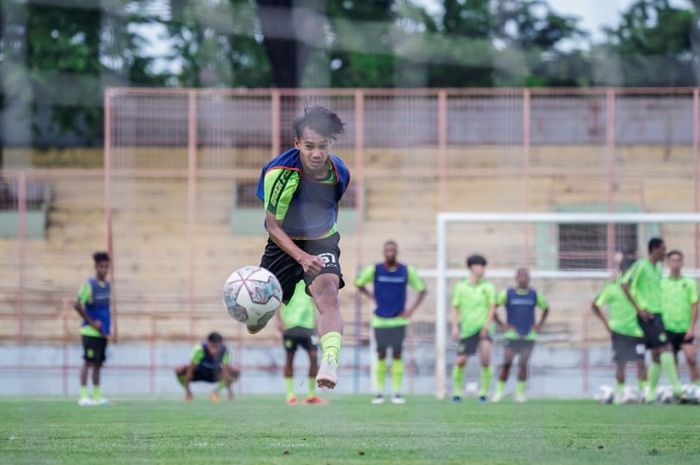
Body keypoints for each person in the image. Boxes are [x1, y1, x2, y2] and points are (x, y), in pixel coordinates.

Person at [255, 106, 349, 389]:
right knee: (256, 322)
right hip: (284, 240)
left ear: (330, 144)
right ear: (297, 144)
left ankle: (330, 360)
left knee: (328, 293)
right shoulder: (279, 174)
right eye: (309, 147)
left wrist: (319, 250)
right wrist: (300, 256)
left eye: (323, 146)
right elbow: (272, 225)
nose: (317, 154)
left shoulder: (339, 173)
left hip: (321, 238)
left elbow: (331, 208)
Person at [355, 240, 427, 405]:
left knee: (397, 354)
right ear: (383, 252)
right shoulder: (375, 269)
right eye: (387, 250)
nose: (390, 253)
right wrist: (371, 296)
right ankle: (379, 392)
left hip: (398, 320)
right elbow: (358, 283)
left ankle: (396, 392)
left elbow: (422, 289)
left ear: (397, 252)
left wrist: (411, 310)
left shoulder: (406, 271)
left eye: (393, 250)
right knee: (380, 354)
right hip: (379, 320)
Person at [622, 238, 683, 402]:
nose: (665, 252)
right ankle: (678, 389)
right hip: (648, 315)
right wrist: (639, 309)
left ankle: (650, 394)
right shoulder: (640, 265)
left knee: (656, 353)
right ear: (654, 249)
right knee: (666, 348)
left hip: (658, 314)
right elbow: (624, 285)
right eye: (663, 249)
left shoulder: (657, 268)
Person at [592, 257, 648, 403]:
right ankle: (619, 394)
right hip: (619, 331)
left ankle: (644, 394)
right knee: (620, 364)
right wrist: (607, 325)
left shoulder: (638, 288)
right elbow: (595, 305)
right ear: (624, 271)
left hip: (637, 331)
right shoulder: (611, 288)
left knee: (641, 362)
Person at [492, 268, 549, 403]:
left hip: (528, 335)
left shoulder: (534, 295)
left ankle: (520, 393)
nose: (523, 278)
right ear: (516, 278)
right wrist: (502, 325)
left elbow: (546, 309)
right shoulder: (508, 294)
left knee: (523, 364)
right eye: (520, 276)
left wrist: (539, 324)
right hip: (512, 335)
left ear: (528, 278)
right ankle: (499, 392)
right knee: (507, 363)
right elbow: (493, 308)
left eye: (525, 276)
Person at [450, 254, 496, 403]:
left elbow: (491, 308)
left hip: (484, 330)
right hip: (466, 330)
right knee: (460, 360)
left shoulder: (488, 287)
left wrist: (486, 326)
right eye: (479, 266)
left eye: (483, 266)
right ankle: (457, 392)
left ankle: (483, 393)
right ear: (472, 267)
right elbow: (456, 308)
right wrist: (455, 327)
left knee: (486, 358)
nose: (482, 269)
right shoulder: (461, 286)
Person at [276, 280, 327, 405]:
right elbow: (276, 299)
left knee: (314, 357)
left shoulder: (309, 278)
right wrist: (278, 320)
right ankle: (290, 394)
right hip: (290, 324)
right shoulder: (285, 278)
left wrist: (316, 322)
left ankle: (311, 394)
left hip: (308, 326)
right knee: (289, 359)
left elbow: (314, 300)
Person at [73, 251, 112, 406]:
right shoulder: (88, 285)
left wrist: (107, 330)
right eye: (101, 266)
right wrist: (91, 323)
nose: (104, 270)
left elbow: (105, 310)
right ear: (96, 267)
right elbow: (77, 305)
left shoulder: (108, 286)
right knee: (88, 363)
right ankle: (83, 396)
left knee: (98, 364)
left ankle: (97, 396)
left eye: (106, 267)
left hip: (102, 334)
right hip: (89, 332)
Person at [661, 250, 699, 385]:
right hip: (668, 329)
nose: (675, 263)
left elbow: (695, 306)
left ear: (682, 263)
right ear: (668, 263)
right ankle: (678, 392)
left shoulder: (689, 283)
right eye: (672, 260)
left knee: (692, 358)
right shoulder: (662, 283)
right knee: (673, 361)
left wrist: (691, 328)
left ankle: (697, 389)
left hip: (684, 329)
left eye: (678, 260)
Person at [175, 332, 240, 402]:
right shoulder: (200, 349)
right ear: (208, 343)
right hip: (199, 374)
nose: (214, 351)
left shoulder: (224, 350)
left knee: (235, 372)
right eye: (212, 347)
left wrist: (230, 393)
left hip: (215, 375)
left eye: (217, 347)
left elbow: (225, 370)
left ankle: (215, 392)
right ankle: (189, 393)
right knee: (179, 369)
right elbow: (191, 369)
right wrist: (188, 391)